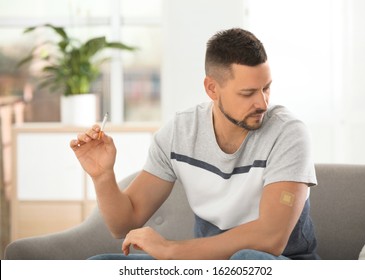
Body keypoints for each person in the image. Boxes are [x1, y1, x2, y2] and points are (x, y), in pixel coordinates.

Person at [70, 27, 319, 260]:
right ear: (212, 88)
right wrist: (103, 176)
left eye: (266, 88)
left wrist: (171, 250)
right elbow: (124, 225)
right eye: (248, 93)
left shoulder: (288, 133)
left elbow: (271, 237)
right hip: (205, 263)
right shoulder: (180, 133)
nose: (262, 103)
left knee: (246, 259)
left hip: (281, 262)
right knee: (99, 264)